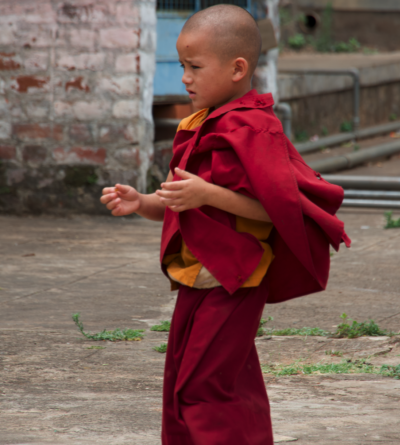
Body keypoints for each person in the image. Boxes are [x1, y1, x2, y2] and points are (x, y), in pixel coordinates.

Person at [100, 4, 350, 444]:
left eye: (195, 66)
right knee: (186, 382)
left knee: (203, 387)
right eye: (182, 66)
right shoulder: (203, 123)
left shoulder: (253, 128)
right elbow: (182, 199)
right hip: (199, 276)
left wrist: (207, 194)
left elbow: (280, 209)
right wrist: (141, 202)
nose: (184, 77)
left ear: (237, 69)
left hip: (235, 278)